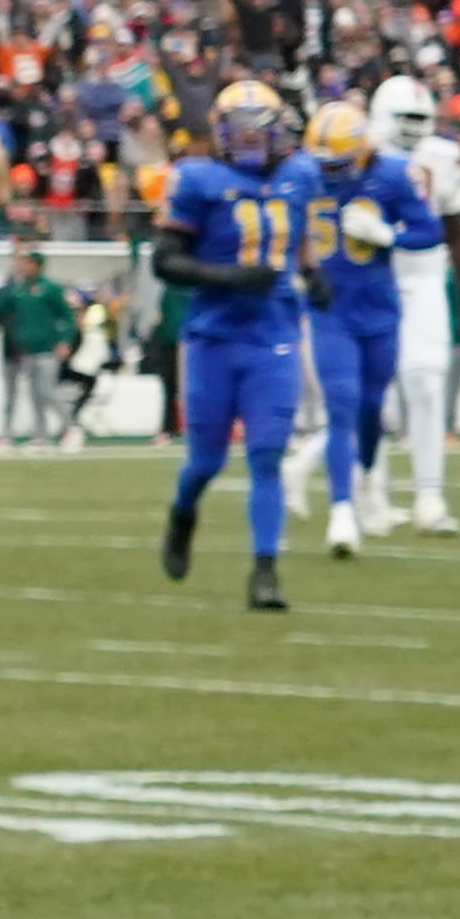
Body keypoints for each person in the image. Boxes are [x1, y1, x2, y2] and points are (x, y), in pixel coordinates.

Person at [155, 83, 316, 612]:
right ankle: (184, 514)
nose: (248, 139)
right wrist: (227, 276)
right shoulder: (197, 179)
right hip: (214, 336)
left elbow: (301, 234)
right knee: (206, 460)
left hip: (273, 335)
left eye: (257, 128)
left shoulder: (299, 175)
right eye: (238, 128)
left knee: (267, 455)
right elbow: (165, 261)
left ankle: (265, 571)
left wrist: (313, 273)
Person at [294, 100, 439, 560]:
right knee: (341, 408)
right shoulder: (302, 175)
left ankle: (366, 481)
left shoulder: (391, 175)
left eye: (338, 161)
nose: (329, 171)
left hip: (379, 309)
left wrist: (388, 235)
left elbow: (430, 230)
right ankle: (341, 512)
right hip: (330, 310)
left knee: (373, 410)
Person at [366, 76, 460, 536]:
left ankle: (430, 495)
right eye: (403, 118)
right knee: (375, 395)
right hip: (373, 278)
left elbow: (457, 225)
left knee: (427, 383)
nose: (411, 128)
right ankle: (372, 493)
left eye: (419, 118)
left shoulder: (441, 157)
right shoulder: (358, 149)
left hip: (425, 275)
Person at [0, 247, 84, 452]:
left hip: (47, 349)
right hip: (27, 350)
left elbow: (67, 316)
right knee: (35, 395)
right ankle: (40, 436)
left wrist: (65, 341)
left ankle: (72, 427)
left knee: (47, 391)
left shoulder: (50, 288)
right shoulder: (18, 289)